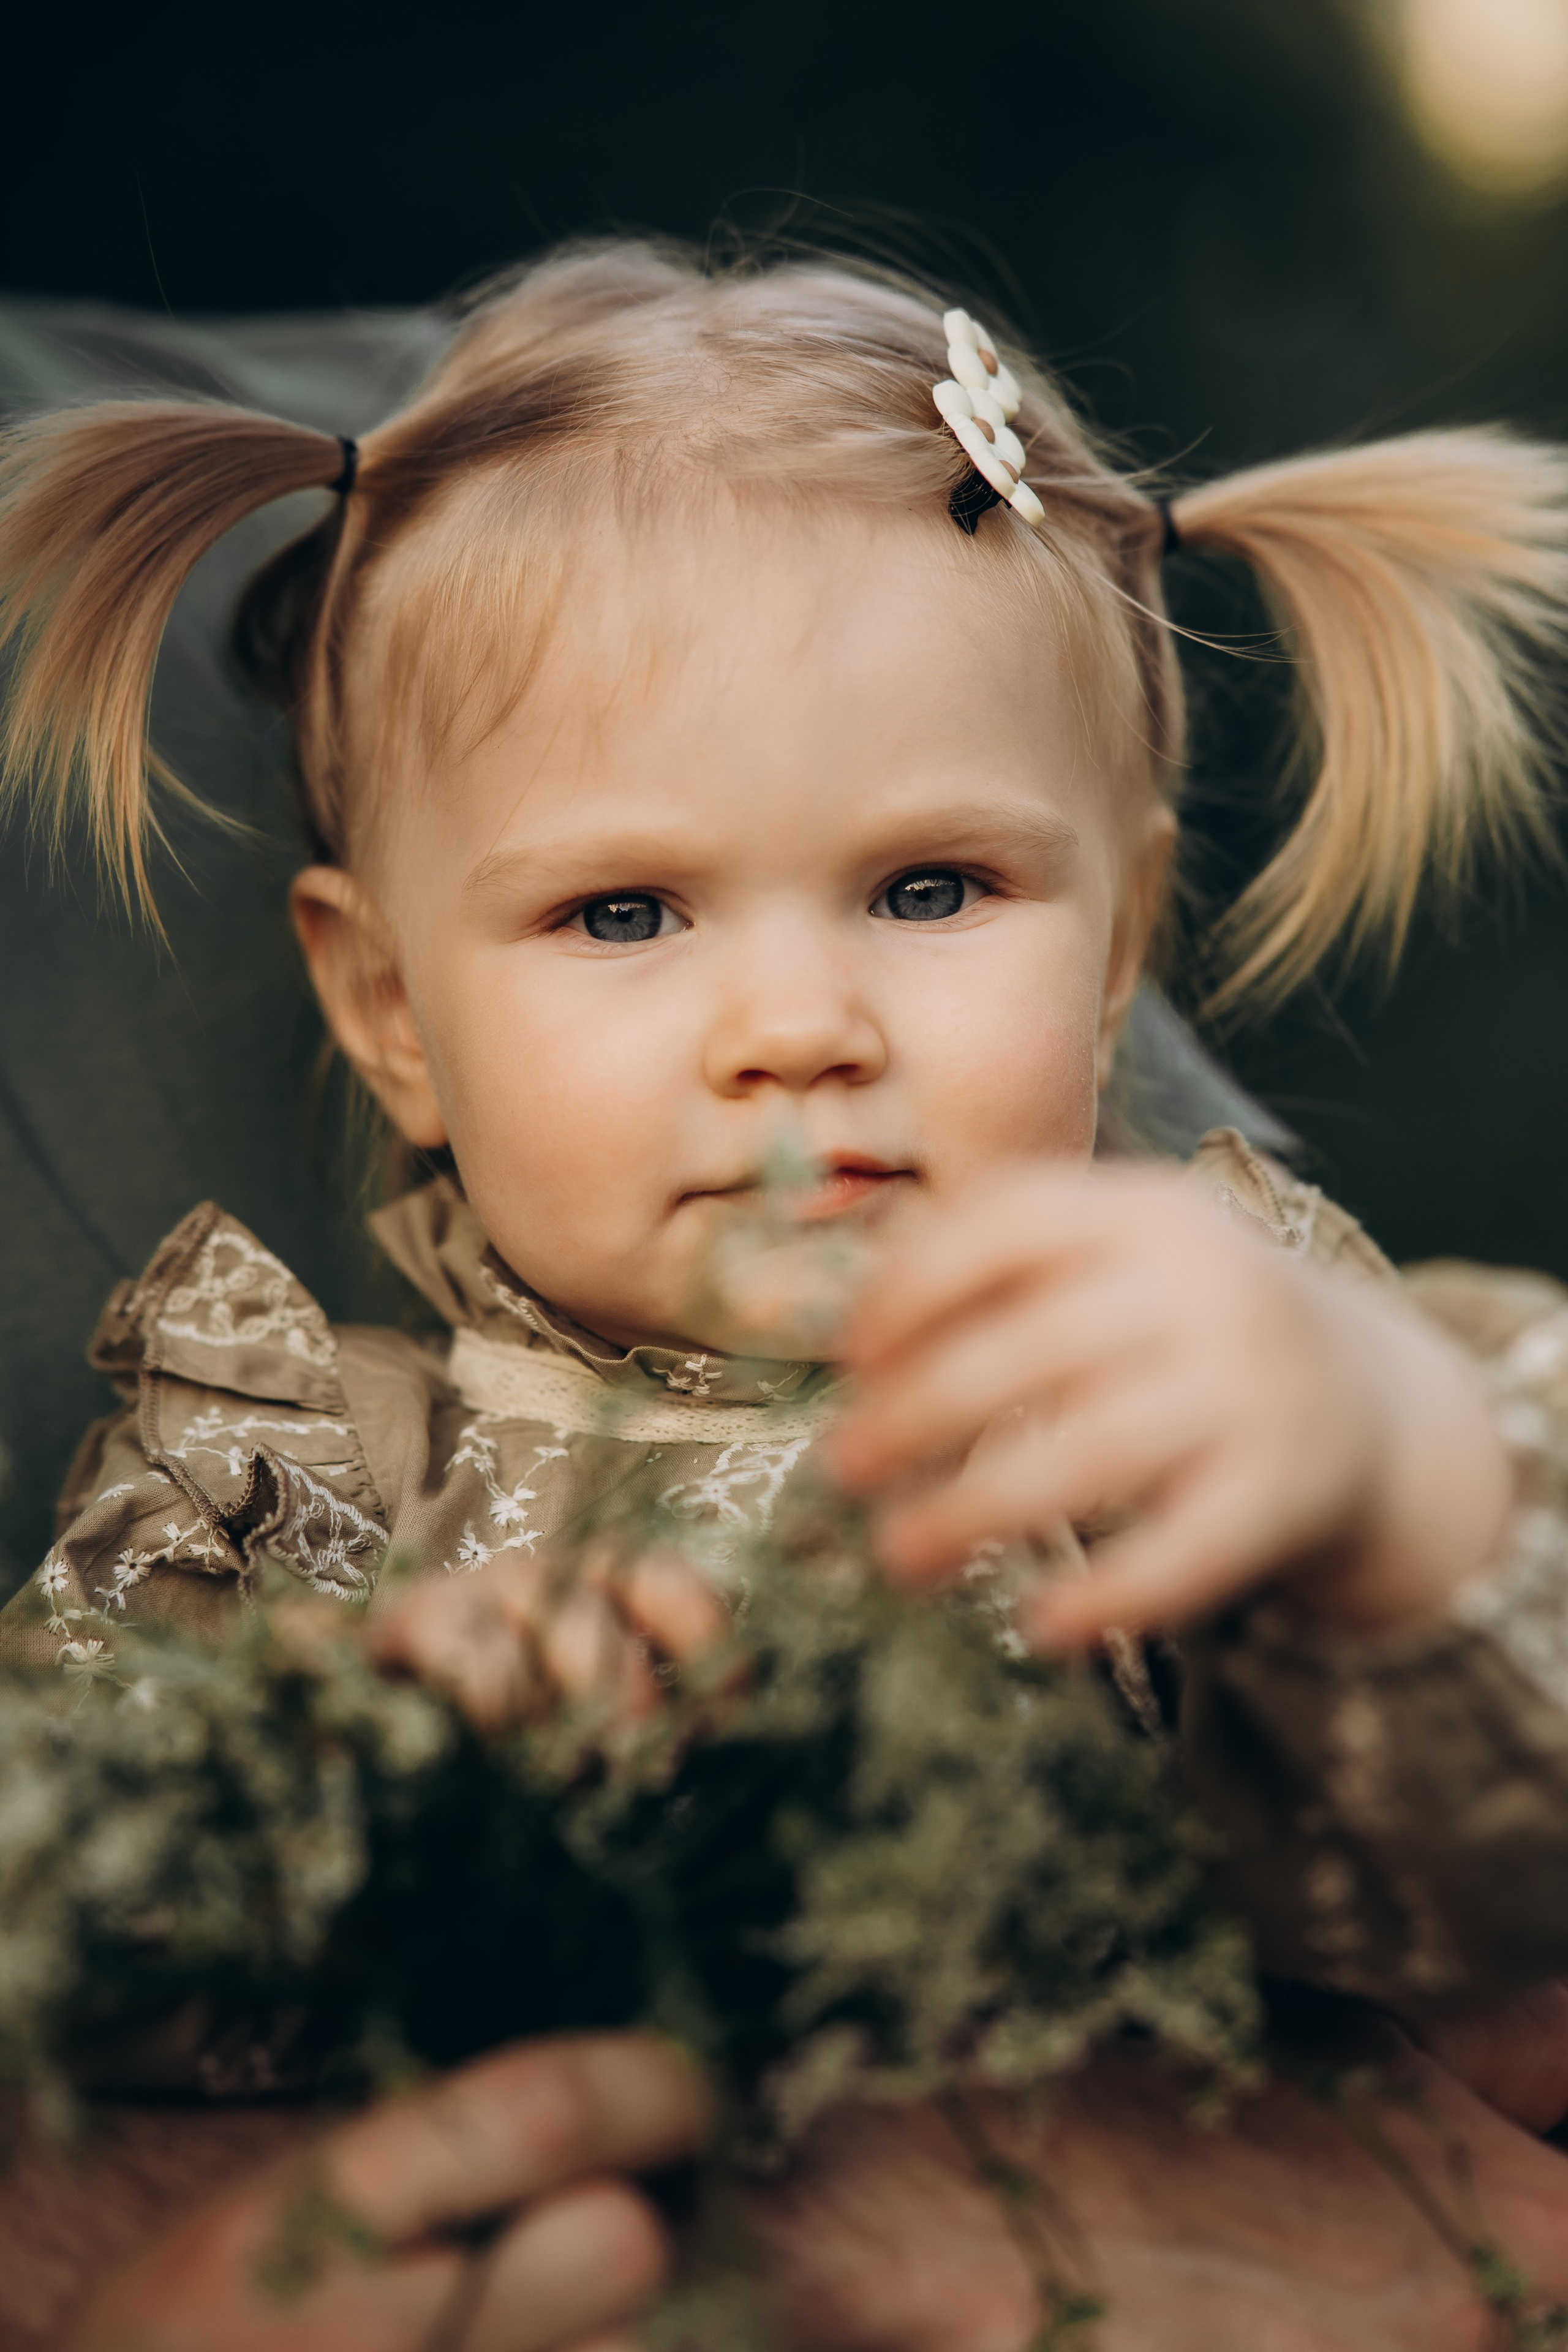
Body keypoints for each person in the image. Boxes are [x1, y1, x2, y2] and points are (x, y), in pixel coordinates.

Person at [7, 241, 1568, 2340]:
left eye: (933, 889)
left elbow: (1490, 1882)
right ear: (389, 1009)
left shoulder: (1190, 1370)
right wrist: (332, 1776)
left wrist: (1402, 1486)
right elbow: (59, 1930)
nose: (799, 1025)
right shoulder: (290, 1480)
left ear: (1114, 957)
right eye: (624, 909)